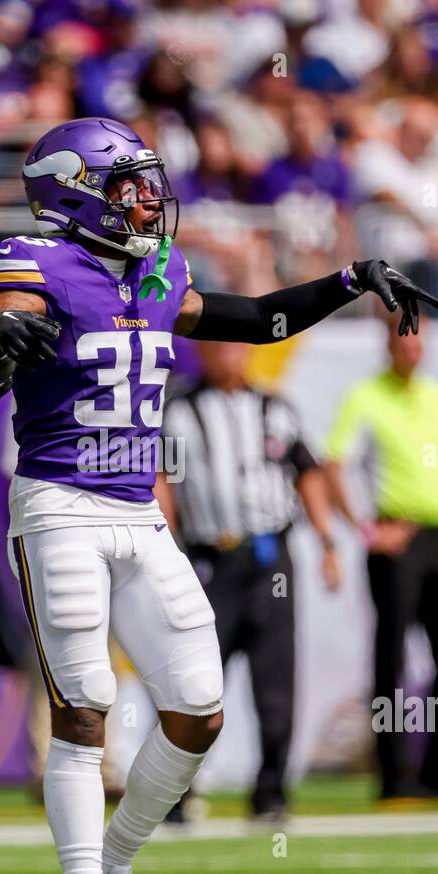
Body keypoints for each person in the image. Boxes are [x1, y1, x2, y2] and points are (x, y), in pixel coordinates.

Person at [0, 115, 438, 874]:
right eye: (124, 184)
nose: (143, 198)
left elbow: (253, 321)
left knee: (198, 710)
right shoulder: (30, 261)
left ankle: (114, 869)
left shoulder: (157, 272)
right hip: (60, 503)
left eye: (145, 182)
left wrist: (347, 279)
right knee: (84, 707)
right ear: (71, 191)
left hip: (140, 512)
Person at [156, 339, 341, 823]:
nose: (228, 354)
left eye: (235, 346)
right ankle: (178, 792)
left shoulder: (275, 409)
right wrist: (164, 550)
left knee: (276, 680)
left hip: (269, 559)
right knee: (195, 681)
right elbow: (162, 481)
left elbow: (308, 473)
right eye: (217, 346)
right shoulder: (177, 411)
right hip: (207, 559)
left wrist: (327, 541)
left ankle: (271, 791)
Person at [324, 314, 438, 802]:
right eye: (406, 342)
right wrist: (365, 529)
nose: (414, 350)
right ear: (389, 346)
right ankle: (395, 774)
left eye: (420, 342)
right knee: (391, 656)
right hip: (398, 540)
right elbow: (336, 463)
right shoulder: (367, 397)